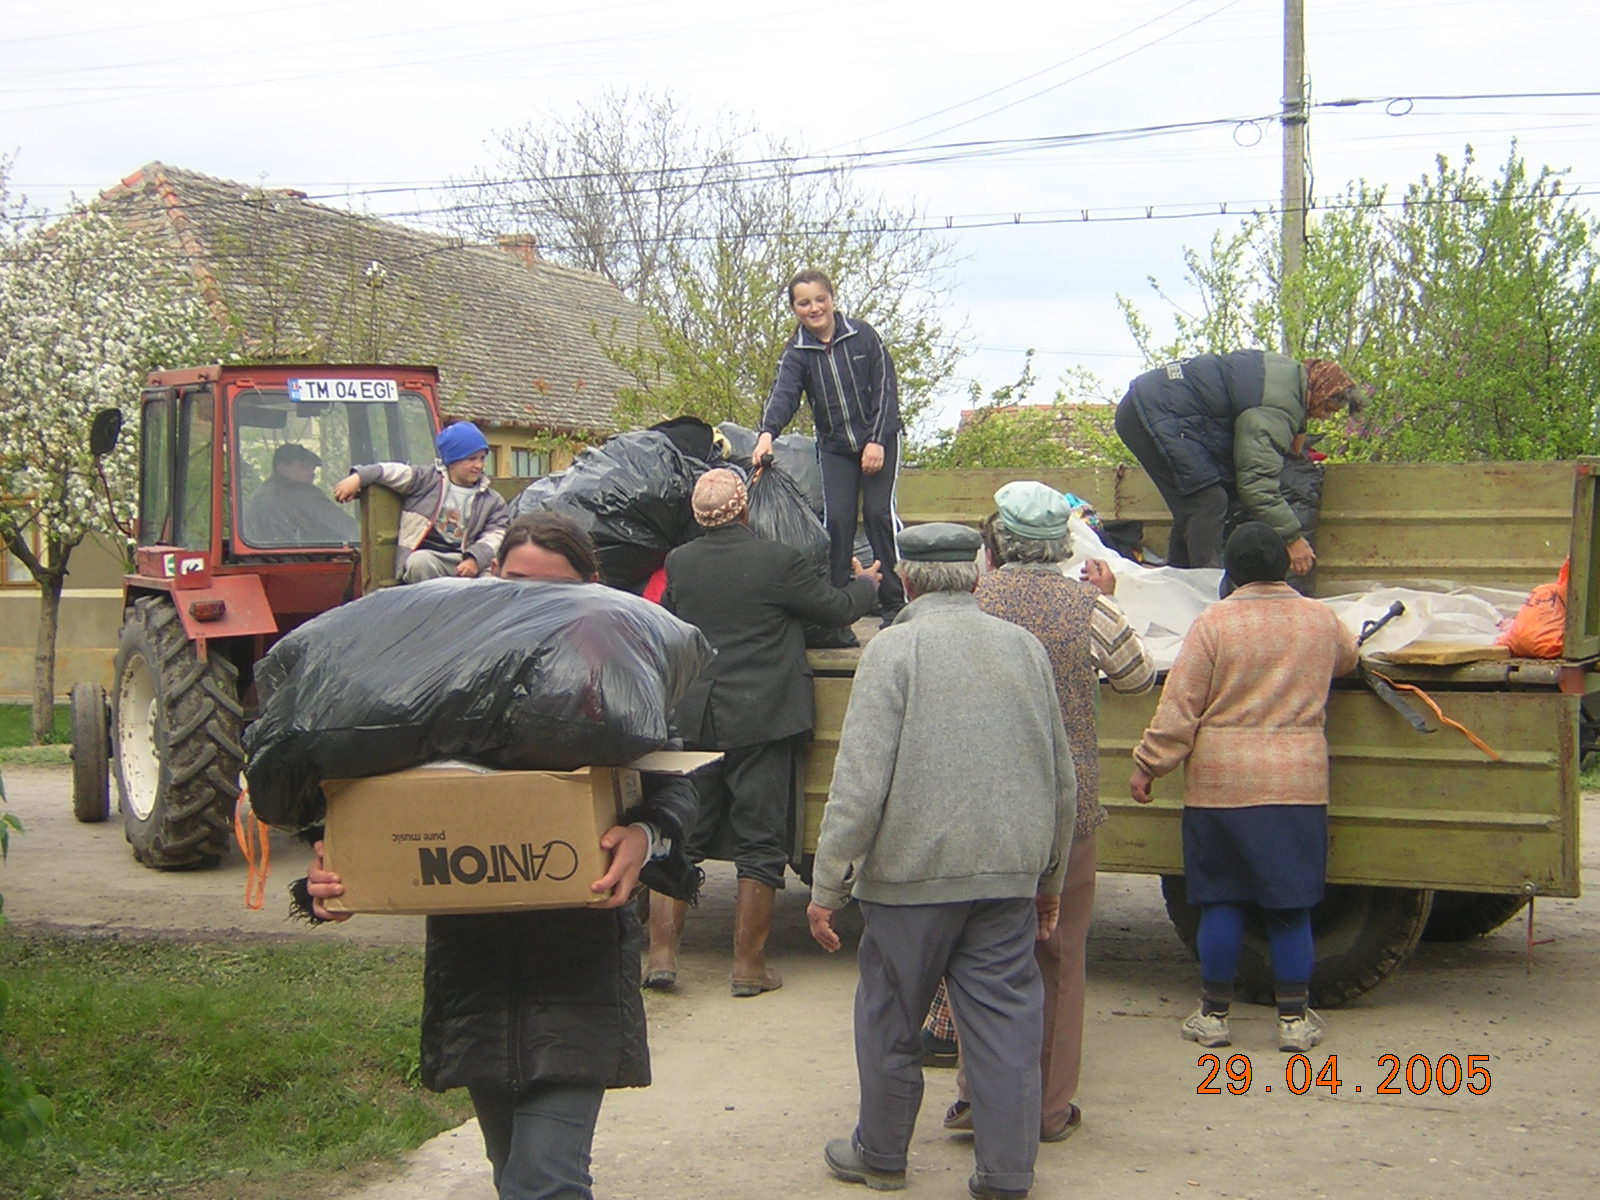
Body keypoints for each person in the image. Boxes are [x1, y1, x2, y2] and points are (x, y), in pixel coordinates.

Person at [296, 512, 700, 1200]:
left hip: (577, 972)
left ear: (593, 590)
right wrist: (331, 880)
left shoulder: (624, 683)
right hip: (474, 974)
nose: (529, 607)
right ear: (488, 580)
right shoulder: (444, 683)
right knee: (513, 1174)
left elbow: (678, 797)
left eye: (553, 591)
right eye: (514, 586)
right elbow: (369, 804)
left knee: (545, 1181)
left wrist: (644, 838)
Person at [808, 522, 1077, 1200]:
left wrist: (828, 882)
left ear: (906, 580)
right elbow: (1061, 776)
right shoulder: (1023, 650)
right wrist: (1050, 877)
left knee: (890, 1018)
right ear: (979, 574)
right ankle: (1007, 1173)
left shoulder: (895, 650)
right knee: (1005, 1024)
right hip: (1005, 875)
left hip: (908, 880)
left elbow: (860, 780)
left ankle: (881, 1154)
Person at [932, 481, 1156, 1144]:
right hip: (1068, 804)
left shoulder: (970, 599)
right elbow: (1138, 679)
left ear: (996, 541)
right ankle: (1047, 1109)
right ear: (1062, 545)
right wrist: (1106, 603)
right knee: (1056, 955)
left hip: (978, 799)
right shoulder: (1088, 607)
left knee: (982, 951)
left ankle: (977, 1097)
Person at [649, 468, 882, 996]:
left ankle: (662, 957)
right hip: (763, 718)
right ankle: (748, 967)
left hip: (701, 719)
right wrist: (867, 584)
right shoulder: (778, 560)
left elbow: (671, 623)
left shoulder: (679, 562)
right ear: (745, 509)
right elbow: (837, 608)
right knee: (761, 839)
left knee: (682, 833)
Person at [1129, 521, 1359, 1054]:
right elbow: (1349, 659)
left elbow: (1179, 707)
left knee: (1221, 901)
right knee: (1290, 906)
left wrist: (1149, 765)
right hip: (1296, 785)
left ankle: (1213, 1016)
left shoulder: (1214, 624)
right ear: (1284, 567)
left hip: (1220, 788)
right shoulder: (1320, 619)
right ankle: (1294, 1021)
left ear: (1230, 571)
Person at [1113, 351, 1363, 575]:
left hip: (1150, 405)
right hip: (1153, 412)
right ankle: (1209, 597)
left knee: (1194, 507)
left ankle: (1179, 588)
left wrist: (1298, 431)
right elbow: (1256, 484)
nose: (1323, 416)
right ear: (1317, 391)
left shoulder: (1285, 376)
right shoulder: (1276, 408)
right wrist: (1292, 538)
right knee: (1208, 502)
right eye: (1327, 408)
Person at [753, 269, 907, 630]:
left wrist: (876, 441)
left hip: (878, 437)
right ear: (795, 309)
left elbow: (887, 390)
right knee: (836, 521)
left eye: (819, 299)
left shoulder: (863, 336)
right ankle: (837, 612)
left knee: (877, 515)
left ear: (832, 299)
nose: (814, 308)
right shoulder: (798, 354)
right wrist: (766, 434)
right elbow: (784, 396)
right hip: (836, 446)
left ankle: (895, 605)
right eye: (804, 303)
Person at [332, 419, 509, 582]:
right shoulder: (426, 481)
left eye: (482, 458)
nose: (479, 465)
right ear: (452, 461)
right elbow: (390, 471)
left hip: (465, 559)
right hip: (432, 558)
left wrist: (474, 559)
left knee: (491, 582)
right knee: (419, 562)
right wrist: (358, 478)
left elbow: (495, 535)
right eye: (471, 459)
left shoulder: (491, 500)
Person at [242, 443, 357, 546]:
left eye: (313, 469)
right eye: (304, 467)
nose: (311, 473)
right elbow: (346, 528)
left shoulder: (259, 495)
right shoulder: (304, 495)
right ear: (282, 468)